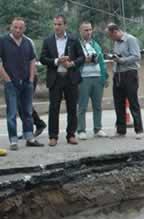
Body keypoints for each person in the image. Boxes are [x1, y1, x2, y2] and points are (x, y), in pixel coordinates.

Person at [40, 15, 84, 147]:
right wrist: (56, 61)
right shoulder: (48, 41)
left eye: (59, 24)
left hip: (70, 78)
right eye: (55, 24)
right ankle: (53, 136)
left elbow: (81, 57)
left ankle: (71, 135)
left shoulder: (73, 39)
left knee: (72, 107)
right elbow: (42, 58)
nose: (57, 27)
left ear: (65, 25)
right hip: (55, 78)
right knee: (54, 108)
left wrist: (72, 64)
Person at [0, 17, 43, 150]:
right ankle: (13, 141)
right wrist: (6, 79)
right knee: (12, 112)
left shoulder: (27, 42)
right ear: (11, 27)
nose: (18, 30)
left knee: (27, 111)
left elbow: (32, 60)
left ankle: (29, 137)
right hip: (11, 82)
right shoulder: (3, 41)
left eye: (20, 28)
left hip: (26, 82)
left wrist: (30, 79)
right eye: (15, 27)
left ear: (24, 28)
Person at [106, 23, 144, 139]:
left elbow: (137, 56)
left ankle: (139, 130)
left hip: (129, 73)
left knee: (133, 102)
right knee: (118, 103)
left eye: (111, 36)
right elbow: (118, 57)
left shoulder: (130, 40)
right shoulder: (116, 43)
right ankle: (121, 130)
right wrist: (113, 57)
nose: (111, 39)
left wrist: (122, 60)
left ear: (115, 32)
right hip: (118, 74)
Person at [76, 21, 108, 140]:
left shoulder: (96, 44)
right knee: (82, 106)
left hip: (97, 78)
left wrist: (104, 77)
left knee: (97, 105)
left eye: (90, 30)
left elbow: (101, 62)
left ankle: (98, 128)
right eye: (86, 30)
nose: (88, 32)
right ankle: (81, 130)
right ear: (80, 31)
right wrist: (85, 60)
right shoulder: (77, 45)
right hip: (83, 78)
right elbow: (74, 61)